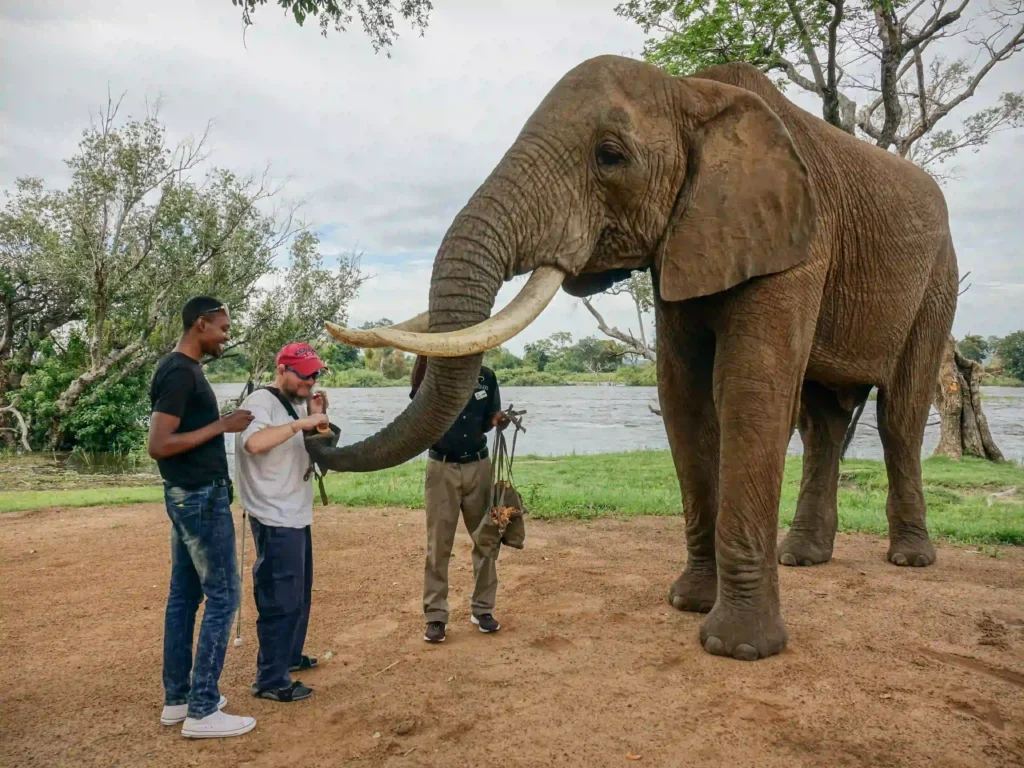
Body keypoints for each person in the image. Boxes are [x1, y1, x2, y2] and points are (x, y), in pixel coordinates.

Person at [148, 296, 256, 739]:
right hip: (199, 498)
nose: (226, 336)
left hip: (187, 496)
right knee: (224, 597)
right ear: (200, 324)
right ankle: (203, 709)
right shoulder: (179, 372)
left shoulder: (183, 370)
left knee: (185, 596)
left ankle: (178, 699)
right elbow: (159, 444)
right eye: (223, 328)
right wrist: (223, 425)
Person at [234, 343, 331, 703]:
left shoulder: (294, 403)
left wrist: (315, 415)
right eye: (304, 374)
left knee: (300, 593)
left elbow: (317, 447)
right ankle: (270, 678)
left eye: (315, 374)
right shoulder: (260, 402)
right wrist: (300, 422)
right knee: (281, 597)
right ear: (282, 370)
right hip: (274, 514)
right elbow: (254, 443)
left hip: (295, 511)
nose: (311, 380)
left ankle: (289, 656)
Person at [409, 355, 510, 644]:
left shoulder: (486, 377)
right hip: (442, 468)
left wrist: (499, 420)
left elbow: (490, 418)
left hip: (479, 466)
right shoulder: (435, 375)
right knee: (438, 544)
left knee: (486, 539)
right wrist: (422, 351)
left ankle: (483, 609)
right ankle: (436, 616)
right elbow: (416, 395)